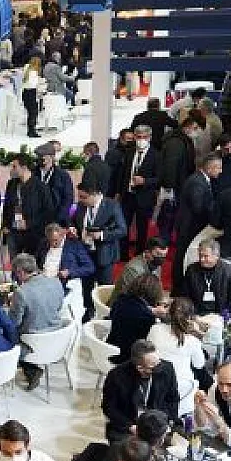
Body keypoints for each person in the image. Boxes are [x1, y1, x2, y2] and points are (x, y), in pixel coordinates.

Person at [101, 339, 180, 441]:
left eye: (158, 362)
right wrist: (130, 426)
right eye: (153, 366)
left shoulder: (167, 369)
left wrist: (166, 422)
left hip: (157, 424)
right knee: (130, 448)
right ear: (140, 368)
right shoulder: (116, 376)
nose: (159, 367)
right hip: (128, 424)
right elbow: (109, 407)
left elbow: (173, 399)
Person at [7, 253, 65, 386]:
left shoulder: (21, 292)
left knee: (4, 333)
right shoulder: (56, 282)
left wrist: (11, 306)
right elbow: (59, 307)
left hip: (33, 340)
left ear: (20, 272)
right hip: (58, 336)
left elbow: (13, 322)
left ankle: (30, 369)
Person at [71, 185, 127, 317]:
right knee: (86, 285)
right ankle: (88, 310)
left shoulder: (112, 206)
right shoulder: (81, 206)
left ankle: (106, 313)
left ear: (94, 194)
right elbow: (73, 221)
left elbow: (122, 230)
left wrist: (101, 235)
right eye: (79, 196)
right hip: (85, 253)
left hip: (104, 254)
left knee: (104, 287)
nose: (80, 200)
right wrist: (72, 228)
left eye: (83, 197)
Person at [173, 155, 222, 294]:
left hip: (190, 225)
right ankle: (178, 288)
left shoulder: (201, 179)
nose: (220, 171)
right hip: (189, 226)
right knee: (182, 256)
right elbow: (198, 207)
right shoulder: (197, 182)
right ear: (209, 167)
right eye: (218, 167)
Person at [116, 124, 160, 257]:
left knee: (142, 228)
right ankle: (123, 253)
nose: (141, 140)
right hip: (128, 195)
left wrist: (145, 181)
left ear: (150, 137)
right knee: (124, 225)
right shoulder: (129, 152)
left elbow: (160, 179)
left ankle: (139, 253)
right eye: (138, 137)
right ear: (134, 137)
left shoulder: (156, 155)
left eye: (144, 137)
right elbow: (122, 174)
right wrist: (119, 192)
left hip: (145, 197)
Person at [147, 297, 207, 388]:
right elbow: (199, 365)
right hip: (183, 386)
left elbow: (148, 351)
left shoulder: (155, 329)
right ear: (190, 317)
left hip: (156, 384)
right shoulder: (192, 341)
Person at [2, 154, 52, 258]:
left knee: (29, 263)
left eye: (14, 166)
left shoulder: (41, 187)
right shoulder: (11, 184)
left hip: (33, 233)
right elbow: (7, 206)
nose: (12, 170)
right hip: (13, 231)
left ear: (24, 167)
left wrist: (29, 223)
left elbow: (47, 212)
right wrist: (5, 224)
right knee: (15, 261)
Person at [106, 273, 166, 359]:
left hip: (110, 347)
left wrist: (150, 310)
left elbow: (132, 311)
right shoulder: (147, 317)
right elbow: (149, 339)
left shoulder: (121, 299)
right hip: (128, 356)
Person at [184, 238, 231, 322]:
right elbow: (185, 296)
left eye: (205, 256)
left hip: (221, 316)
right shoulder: (191, 270)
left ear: (216, 256)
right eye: (200, 256)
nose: (202, 259)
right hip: (197, 315)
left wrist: (222, 318)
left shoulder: (229, 272)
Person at [37, 222, 94, 292]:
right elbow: (37, 262)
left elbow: (90, 268)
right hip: (44, 282)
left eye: (55, 240)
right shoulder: (44, 244)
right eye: (50, 241)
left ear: (62, 236)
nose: (53, 243)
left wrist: (69, 272)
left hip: (64, 284)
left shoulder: (74, 245)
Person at [21, 57, 42, 138]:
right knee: (33, 113)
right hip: (31, 93)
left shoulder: (26, 68)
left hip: (25, 93)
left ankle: (30, 130)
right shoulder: (34, 72)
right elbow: (34, 84)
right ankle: (32, 131)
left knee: (30, 113)